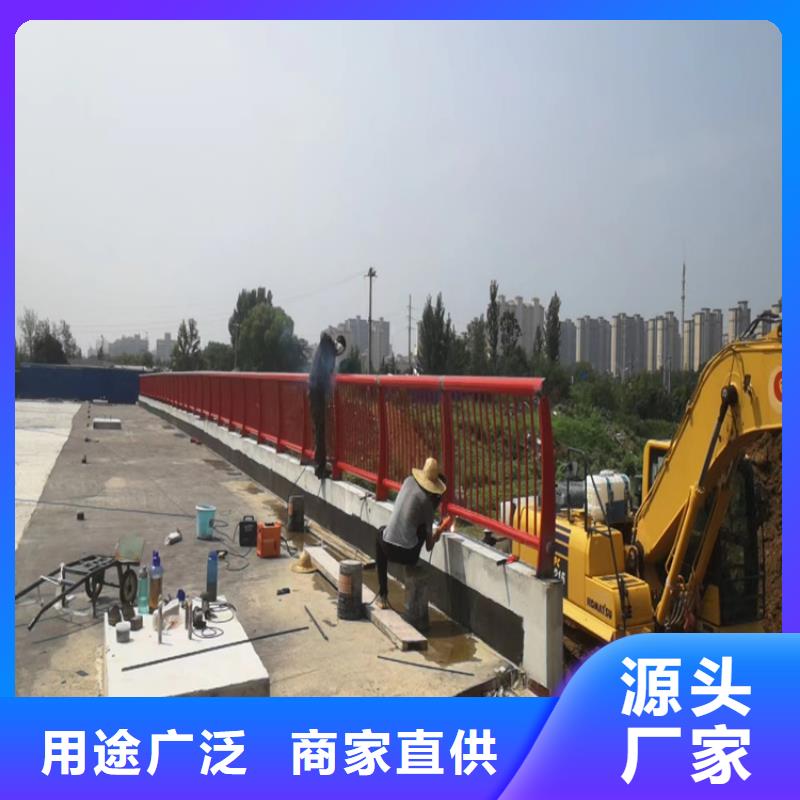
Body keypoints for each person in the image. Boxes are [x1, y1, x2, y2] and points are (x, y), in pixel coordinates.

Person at [375, 457, 450, 609]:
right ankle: (411, 573)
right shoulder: (427, 504)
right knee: (421, 530)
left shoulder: (408, 481)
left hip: (387, 548)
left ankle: (382, 595)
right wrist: (439, 531)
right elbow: (428, 546)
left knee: (380, 533)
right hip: (407, 556)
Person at [308, 332, 346, 479]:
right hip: (315, 393)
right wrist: (334, 345)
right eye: (340, 349)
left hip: (317, 393)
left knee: (320, 430)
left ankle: (320, 465)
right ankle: (320, 468)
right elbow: (323, 336)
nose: (338, 353)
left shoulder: (329, 355)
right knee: (320, 430)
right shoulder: (327, 347)